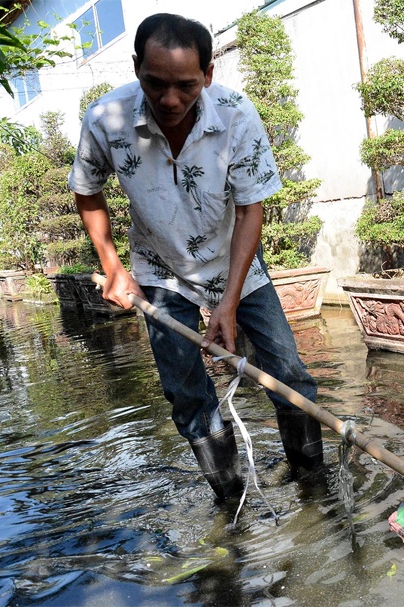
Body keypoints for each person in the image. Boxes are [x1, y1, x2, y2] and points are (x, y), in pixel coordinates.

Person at [69, 13, 323, 501]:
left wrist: (227, 303)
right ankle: (231, 501)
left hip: (235, 262)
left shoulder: (236, 115)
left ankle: (314, 488)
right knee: (187, 394)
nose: (170, 99)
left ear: (208, 74)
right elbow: (88, 190)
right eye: (155, 83)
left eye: (186, 85)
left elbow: (251, 208)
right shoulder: (106, 119)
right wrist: (112, 267)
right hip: (160, 270)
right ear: (136, 67)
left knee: (288, 373)